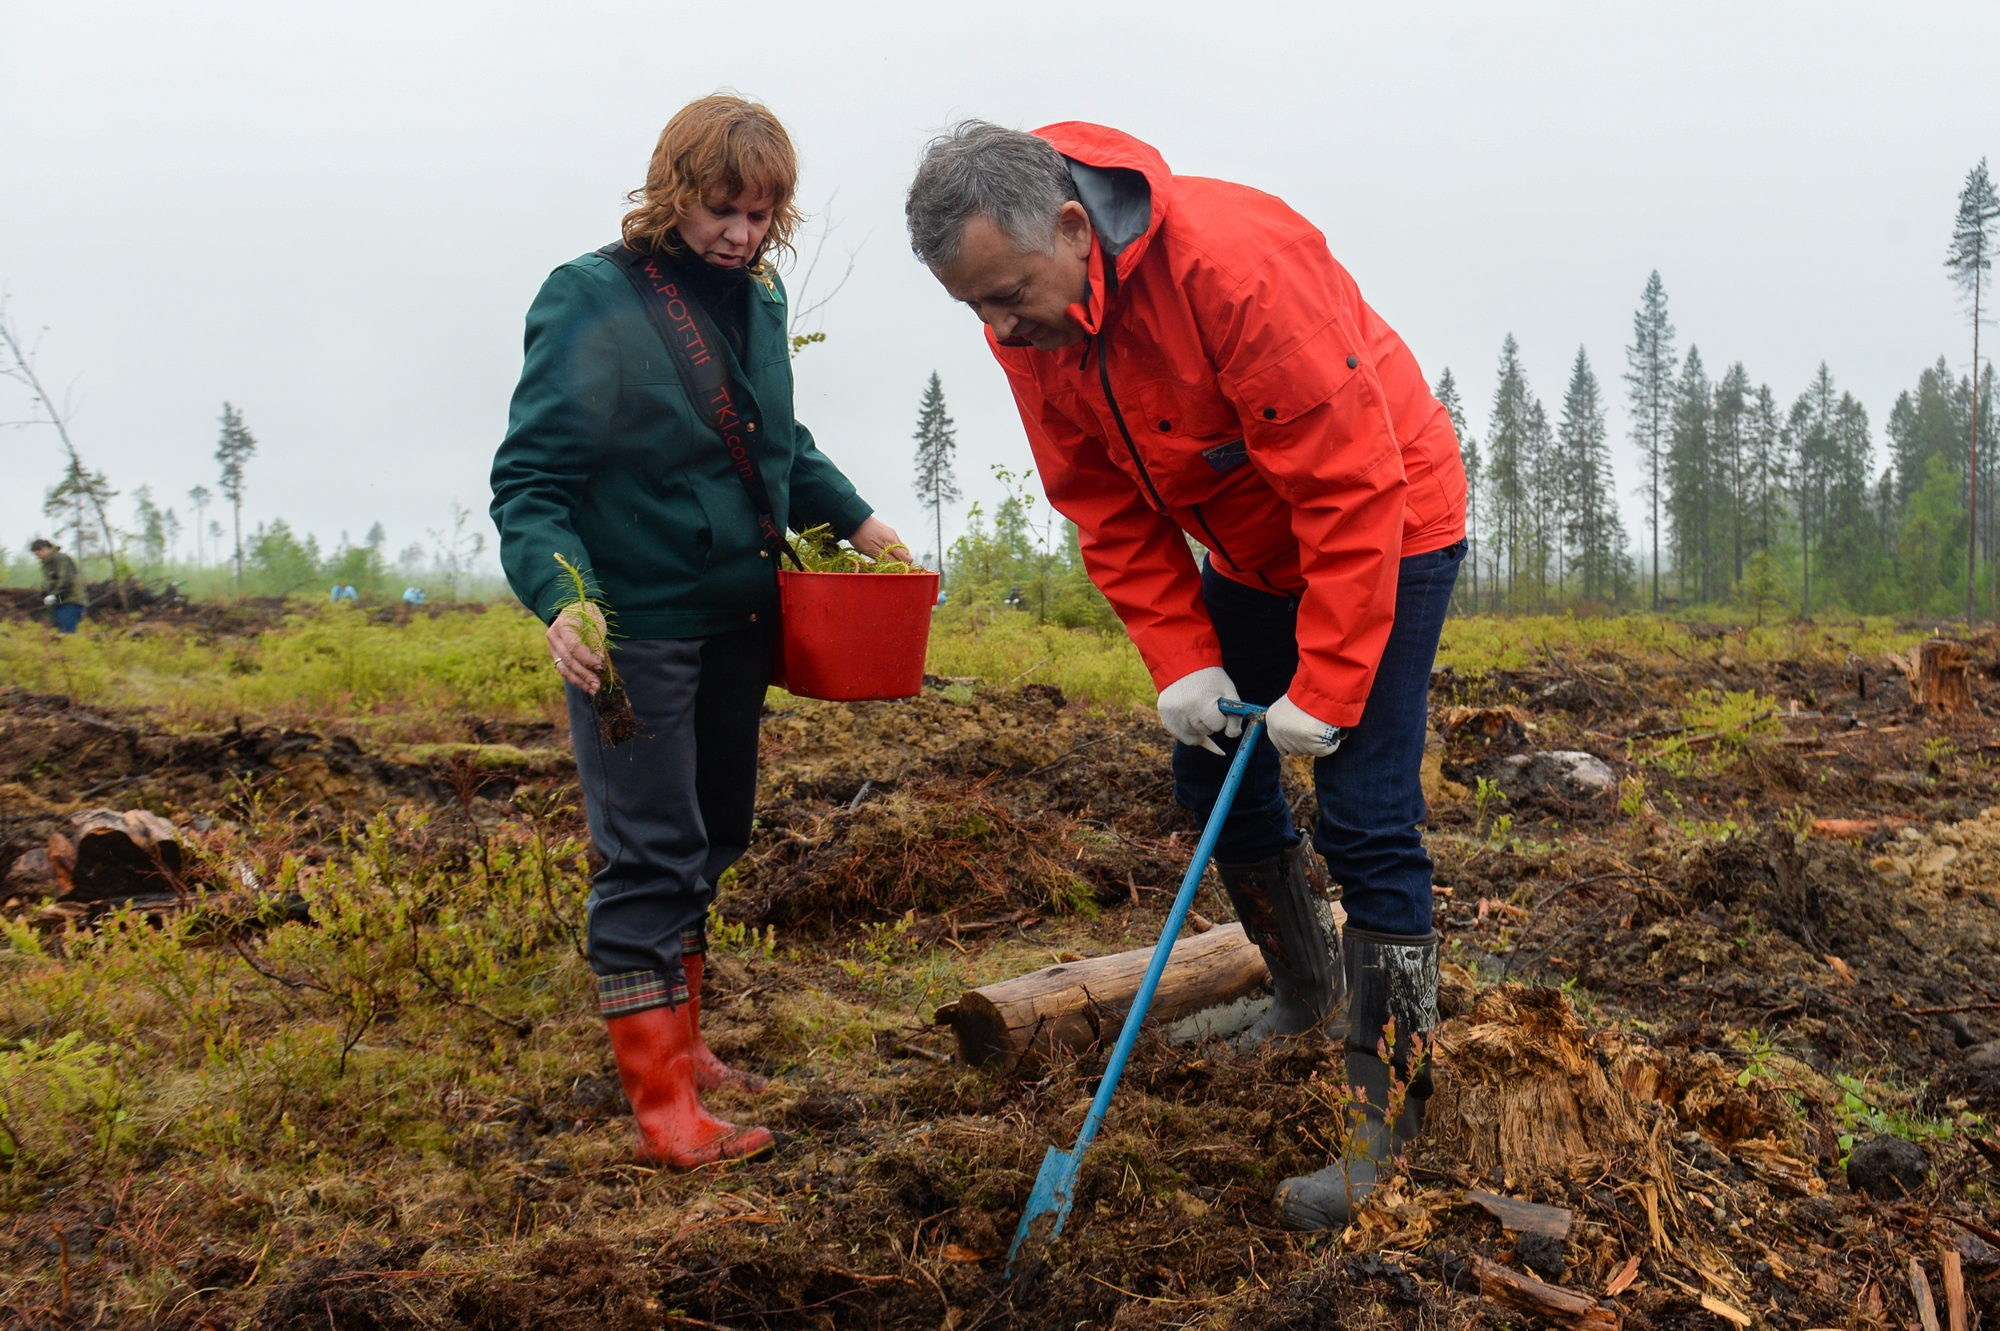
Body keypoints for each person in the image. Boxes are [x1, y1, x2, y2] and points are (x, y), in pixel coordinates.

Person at [906, 122, 1467, 1229]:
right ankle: (1304, 993)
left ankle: (1389, 1111)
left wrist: (1332, 676)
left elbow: (1354, 485)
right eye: (974, 307)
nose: (998, 325)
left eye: (1007, 294)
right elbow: (1103, 504)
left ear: (1071, 226)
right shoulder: (1029, 319)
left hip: (1388, 524)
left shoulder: (1233, 269)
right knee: (1211, 770)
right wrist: (1185, 658)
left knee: (1362, 811)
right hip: (1255, 549)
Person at [492, 94, 908, 1170]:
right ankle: (663, 1103)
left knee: (715, 827)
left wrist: (859, 521)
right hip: (638, 625)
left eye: (762, 214)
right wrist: (563, 596)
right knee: (646, 855)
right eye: (724, 208)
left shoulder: (759, 296)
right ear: (672, 189)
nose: (742, 232)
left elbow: (778, 440)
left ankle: (688, 1041)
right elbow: (530, 483)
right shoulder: (590, 300)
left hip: (740, 616)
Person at [31, 539, 85, 633]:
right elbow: (52, 583)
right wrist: (47, 595)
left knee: (67, 633)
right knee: (60, 633)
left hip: (70, 601)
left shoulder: (61, 559)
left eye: (38, 554)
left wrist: (54, 596)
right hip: (59, 602)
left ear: (44, 549)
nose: (38, 558)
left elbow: (66, 581)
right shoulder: (47, 564)